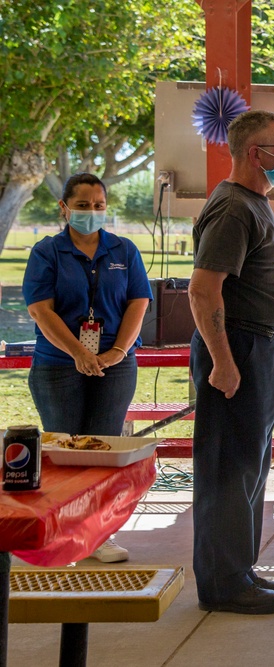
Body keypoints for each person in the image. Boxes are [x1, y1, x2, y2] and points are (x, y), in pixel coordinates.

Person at [188, 109, 274, 615]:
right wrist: (223, 362)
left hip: (262, 348)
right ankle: (224, 583)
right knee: (228, 467)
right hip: (239, 350)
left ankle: (239, 569)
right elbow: (203, 288)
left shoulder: (253, 203)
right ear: (257, 153)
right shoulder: (233, 208)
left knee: (249, 464)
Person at [22, 172, 152, 563]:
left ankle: (100, 534)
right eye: (82, 206)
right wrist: (79, 352)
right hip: (58, 366)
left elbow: (138, 303)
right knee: (64, 451)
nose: (91, 212)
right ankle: (63, 533)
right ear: (64, 208)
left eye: (98, 206)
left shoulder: (124, 250)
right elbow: (40, 310)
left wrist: (117, 351)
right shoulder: (46, 252)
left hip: (115, 365)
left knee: (103, 448)